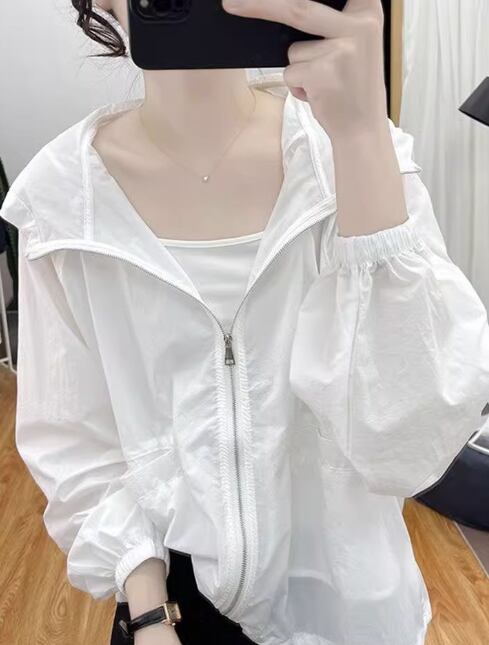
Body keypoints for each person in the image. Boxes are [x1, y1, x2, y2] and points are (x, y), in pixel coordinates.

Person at [3, 0, 489, 644]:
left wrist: (360, 136)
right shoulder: (64, 203)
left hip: (349, 607)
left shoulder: (355, 158)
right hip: (170, 603)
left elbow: (411, 441)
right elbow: (74, 437)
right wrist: (148, 613)